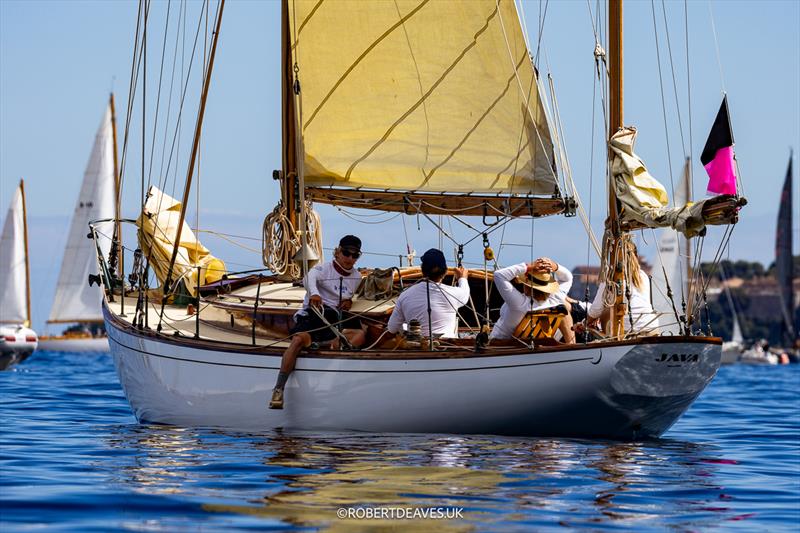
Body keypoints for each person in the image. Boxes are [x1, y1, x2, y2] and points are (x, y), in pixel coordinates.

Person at [269, 235, 366, 409]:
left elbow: (350, 294)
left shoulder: (357, 277)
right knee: (298, 340)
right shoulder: (323, 269)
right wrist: (315, 294)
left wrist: (349, 300)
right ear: (337, 252)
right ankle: (279, 388)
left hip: (336, 317)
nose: (350, 258)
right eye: (346, 253)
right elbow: (308, 278)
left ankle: (325, 350)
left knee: (360, 335)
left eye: (355, 255)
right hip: (315, 313)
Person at [386, 248, 470, 339]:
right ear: (445, 272)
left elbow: (392, 329)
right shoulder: (454, 294)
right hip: (447, 348)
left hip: (417, 347)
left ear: (422, 271)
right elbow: (465, 292)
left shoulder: (404, 295)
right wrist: (462, 278)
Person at [490, 257, 575, 343]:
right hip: (533, 344)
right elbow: (568, 277)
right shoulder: (555, 299)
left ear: (527, 285)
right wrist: (555, 266)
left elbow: (498, 275)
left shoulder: (519, 304)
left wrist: (528, 266)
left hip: (500, 344)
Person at [587, 242, 659, 335]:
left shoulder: (610, 276)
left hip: (626, 331)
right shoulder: (642, 275)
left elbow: (596, 310)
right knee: (609, 310)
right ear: (636, 256)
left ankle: (609, 341)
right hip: (652, 327)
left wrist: (584, 323)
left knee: (606, 312)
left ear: (613, 257)